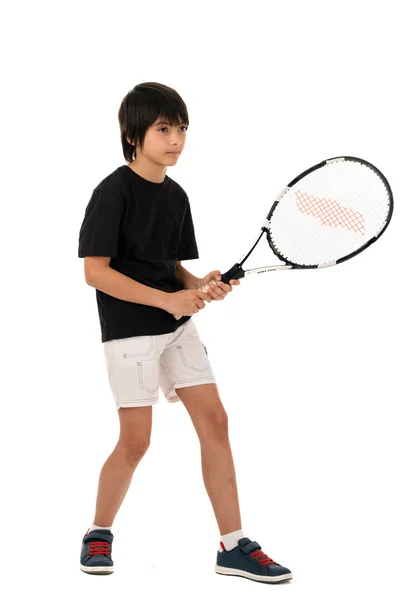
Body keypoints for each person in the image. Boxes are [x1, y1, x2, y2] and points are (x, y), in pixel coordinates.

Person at [77, 81, 292, 584]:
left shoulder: (176, 196)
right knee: (135, 441)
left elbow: (170, 266)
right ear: (133, 134)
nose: (176, 138)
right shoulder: (110, 193)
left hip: (178, 328)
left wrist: (201, 285)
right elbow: (96, 272)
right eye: (163, 128)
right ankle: (98, 531)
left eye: (182, 128)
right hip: (129, 332)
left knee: (215, 422)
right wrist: (167, 299)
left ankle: (234, 545)